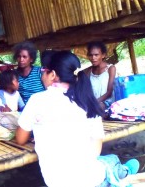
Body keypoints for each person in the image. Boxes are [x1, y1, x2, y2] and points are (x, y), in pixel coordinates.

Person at [16, 51, 139, 187]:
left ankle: (119, 176)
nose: (42, 75)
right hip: (89, 179)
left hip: (54, 181)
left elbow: (20, 139)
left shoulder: (36, 100)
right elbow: (95, 151)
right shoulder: (87, 101)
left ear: (52, 75)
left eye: (44, 71)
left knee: (107, 161)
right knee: (111, 160)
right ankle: (123, 174)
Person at [84, 41, 116, 110]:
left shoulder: (110, 69)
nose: (93, 58)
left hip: (108, 103)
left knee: (98, 107)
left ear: (103, 55)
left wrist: (94, 103)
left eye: (96, 55)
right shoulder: (87, 71)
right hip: (94, 104)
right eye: (90, 55)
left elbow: (109, 92)